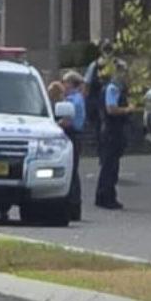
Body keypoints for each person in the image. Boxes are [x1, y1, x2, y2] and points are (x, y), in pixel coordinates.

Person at [95, 59, 134, 210]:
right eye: (123, 72)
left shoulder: (114, 88)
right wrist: (127, 110)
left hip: (112, 130)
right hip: (112, 131)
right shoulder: (112, 89)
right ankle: (107, 197)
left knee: (110, 165)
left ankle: (103, 196)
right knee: (110, 166)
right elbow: (111, 109)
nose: (125, 75)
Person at [60, 71, 86, 221]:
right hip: (76, 135)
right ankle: (75, 206)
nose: (63, 85)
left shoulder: (71, 101)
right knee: (73, 171)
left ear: (70, 83)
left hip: (72, 135)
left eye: (64, 82)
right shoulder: (79, 98)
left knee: (70, 172)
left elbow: (67, 122)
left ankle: (72, 205)